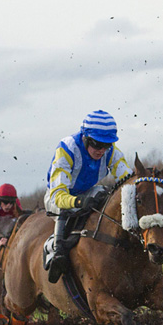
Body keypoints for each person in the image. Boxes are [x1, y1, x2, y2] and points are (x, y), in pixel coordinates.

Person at [43, 110, 132, 283]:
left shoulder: (110, 151)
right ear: (85, 138)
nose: (102, 150)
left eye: (106, 145)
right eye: (97, 144)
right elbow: (59, 195)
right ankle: (57, 251)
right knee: (66, 207)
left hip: (87, 191)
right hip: (59, 196)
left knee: (107, 194)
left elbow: (127, 180)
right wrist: (78, 201)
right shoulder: (67, 148)